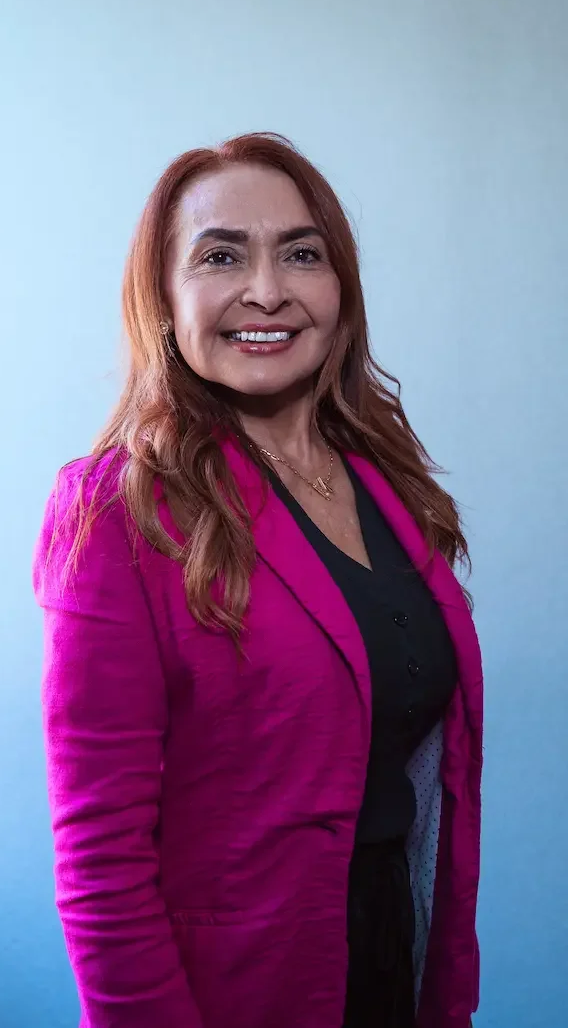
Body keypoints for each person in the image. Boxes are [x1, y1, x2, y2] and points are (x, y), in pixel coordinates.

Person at [34, 132, 483, 1028]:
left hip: (392, 952)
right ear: (164, 298)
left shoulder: (386, 481)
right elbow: (100, 863)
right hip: (238, 991)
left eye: (302, 254)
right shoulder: (115, 511)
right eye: (221, 256)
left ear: (340, 290)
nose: (268, 290)